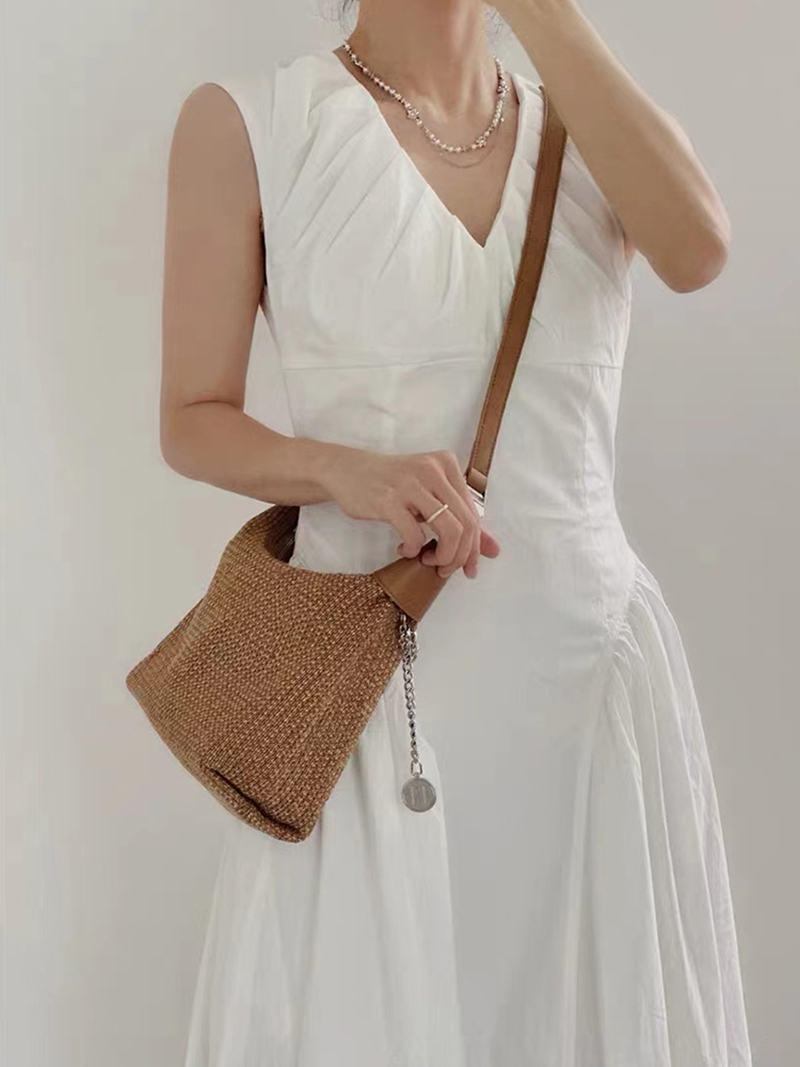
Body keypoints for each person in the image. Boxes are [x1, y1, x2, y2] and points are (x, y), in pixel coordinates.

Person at [160, 1, 753, 1064]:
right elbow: (192, 419)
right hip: (363, 692)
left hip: (581, 689)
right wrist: (344, 470)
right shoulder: (255, 122)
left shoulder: (585, 126)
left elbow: (697, 249)